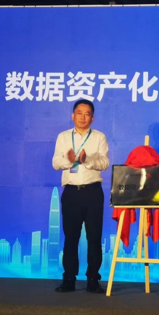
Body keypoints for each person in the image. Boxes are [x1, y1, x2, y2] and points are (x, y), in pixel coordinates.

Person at [52, 99, 109, 293]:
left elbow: (104, 163)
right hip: (71, 193)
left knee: (94, 237)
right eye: (79, 113)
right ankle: (69, 279)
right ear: (73, 116)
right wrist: (71, 161)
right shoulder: (63, 137)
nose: (83, 117)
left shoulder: (99, 137)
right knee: (71, 238)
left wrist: (88, 160)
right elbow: (55, 163)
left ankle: (93, 279)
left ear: (92, 118)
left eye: (87, 114)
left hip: (93, 192)